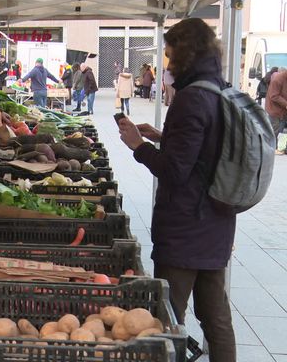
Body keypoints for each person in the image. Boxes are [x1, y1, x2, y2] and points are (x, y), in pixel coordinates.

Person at [117, 18, 237, 362]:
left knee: (167, 319)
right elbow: (203, 152)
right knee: (216, 317)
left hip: (186, 227)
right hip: (216, 222)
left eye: (169, 56)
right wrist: (162, 136)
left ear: (184, 55)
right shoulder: (219, 89)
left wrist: (138, 146)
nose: (167, 66)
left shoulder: (191, 98)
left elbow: (174, 171)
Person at [265, 68, 287, 155]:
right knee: (275, 131)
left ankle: (278, 148)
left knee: (280, 132)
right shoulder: (278, 79)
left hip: (282, 111)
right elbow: (274, 96)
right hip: (275, 111)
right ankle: (270, 150)